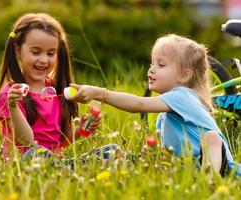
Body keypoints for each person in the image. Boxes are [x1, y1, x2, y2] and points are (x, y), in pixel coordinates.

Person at [69, 34, 241, 177]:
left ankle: (210, 182)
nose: (151, 69)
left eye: (161, 64)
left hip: (221, 165)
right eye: (152, 63)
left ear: (184, 75)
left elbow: (138, 103)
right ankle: (70, 166)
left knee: (211, 137)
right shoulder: (164, 117)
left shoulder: (183, 96)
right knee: (120, 154)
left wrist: (100, 93)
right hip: (188, 169)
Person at [0, 13, 120, 162]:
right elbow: (27, 141)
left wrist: (80, 129)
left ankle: (68, 171)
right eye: (36, 52)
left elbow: (63, 139)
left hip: (57, 164)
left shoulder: (56, 89)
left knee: (113, 151)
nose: (43, 60)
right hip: (26, 164)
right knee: (37, 154)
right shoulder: (10, 95)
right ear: (17, 50)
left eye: (51, 53)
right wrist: (12, 106)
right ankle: (69, 172)